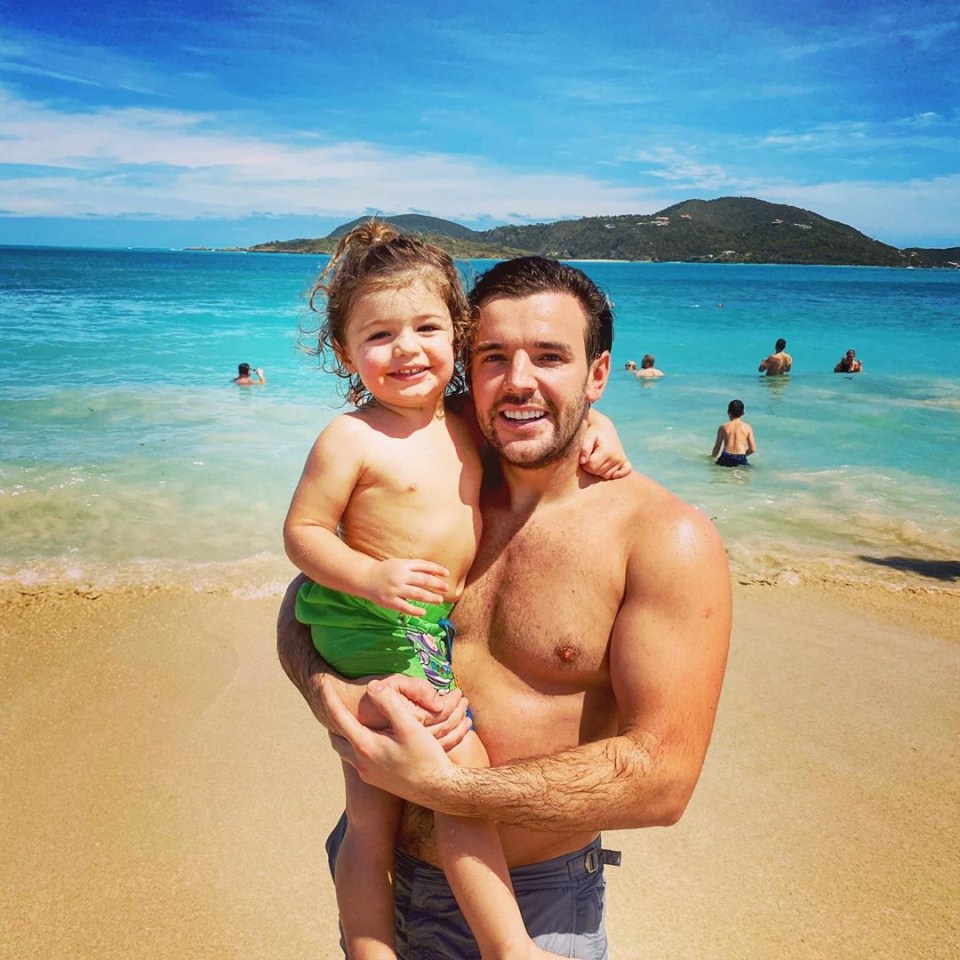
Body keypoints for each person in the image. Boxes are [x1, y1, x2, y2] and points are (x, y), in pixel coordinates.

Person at [278, 254, 731, 959]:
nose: (519, 381)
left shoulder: (661, 540)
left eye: (550, 357)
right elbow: (306, 602)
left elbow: (662, 782)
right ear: (469, 369)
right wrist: (329, 689)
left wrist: (449, 788)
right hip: (381, 880)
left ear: (599, 374)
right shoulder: (446, 464)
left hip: (529, 907)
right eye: (495, 357)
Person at [712, 399, 756, 468]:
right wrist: (743, 455)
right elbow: (752, 449)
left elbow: (717, 447)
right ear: (743, 413)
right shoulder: (747, 427)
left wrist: (712, 457)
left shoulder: (723, 427)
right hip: (740, 457)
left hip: (726, 457)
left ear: (728, 412)